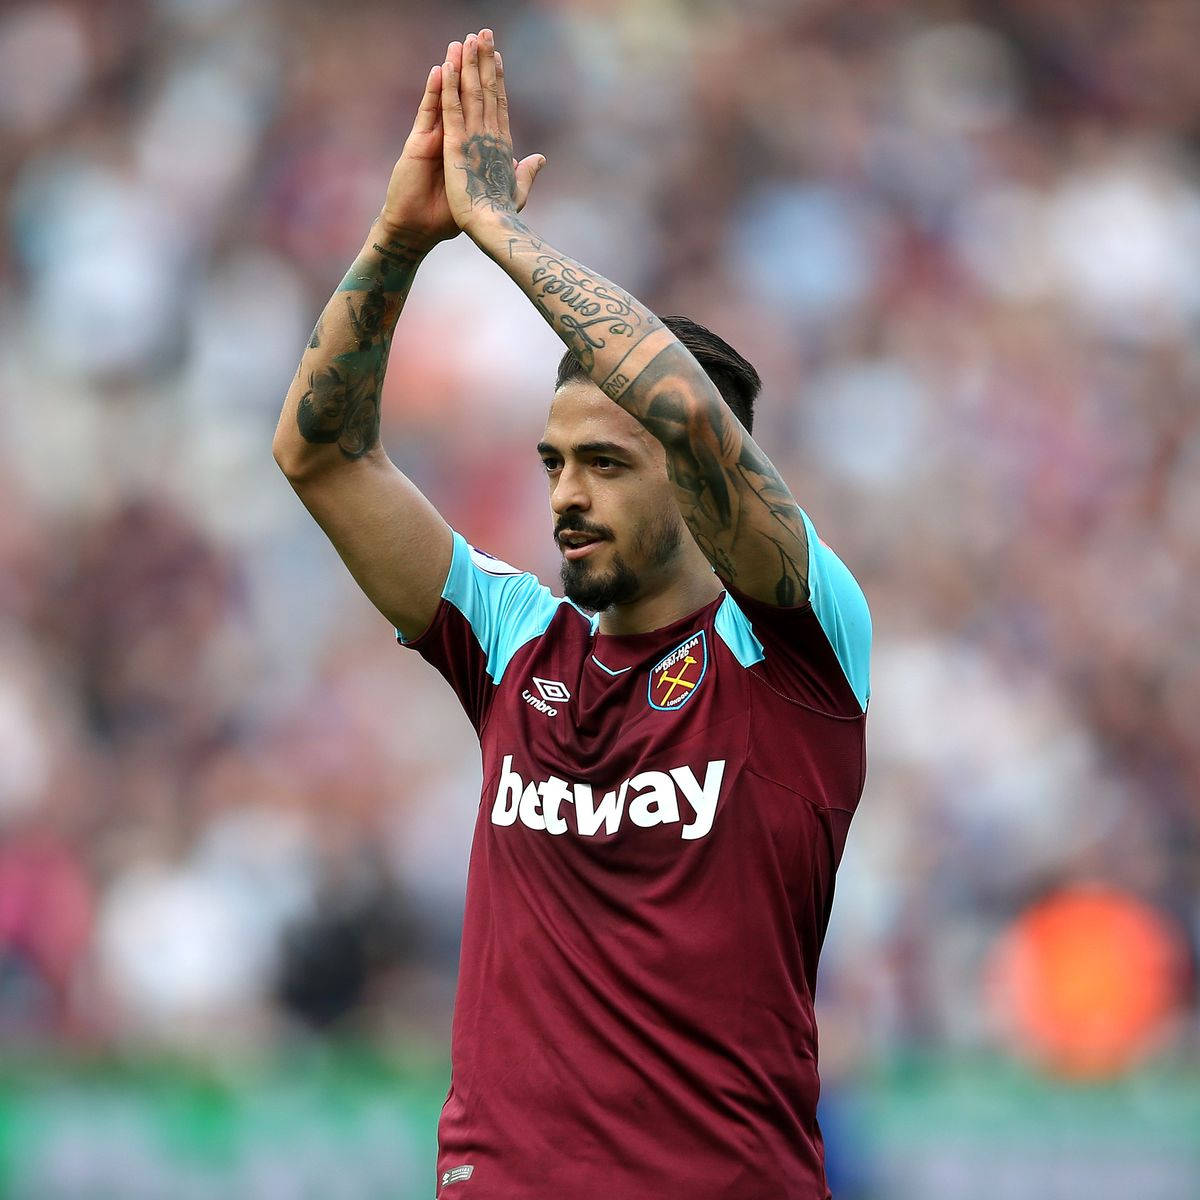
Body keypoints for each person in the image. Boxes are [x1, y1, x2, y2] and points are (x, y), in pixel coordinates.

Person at [273, 28, 871, 1200]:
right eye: (553, 462)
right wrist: (403, 238)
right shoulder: (515, 642)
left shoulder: (797, 645)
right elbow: (322, 458)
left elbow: (695, 419)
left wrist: (506, 240)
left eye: (604, 461)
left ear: (698, 486)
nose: (564, 495)